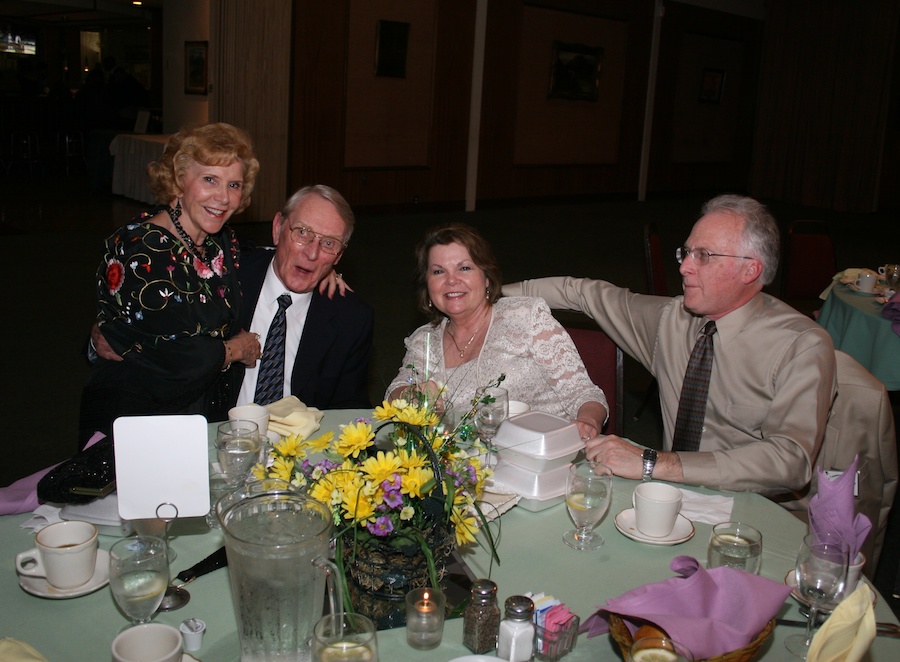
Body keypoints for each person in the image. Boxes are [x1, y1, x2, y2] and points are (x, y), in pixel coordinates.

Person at [504, 194, 837, 502]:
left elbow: (790, 462)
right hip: (668, 500)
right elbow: (582, 294)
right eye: (686, 252)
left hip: (757, 511)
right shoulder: (672, 321)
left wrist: (654, 463)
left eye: (704, 256)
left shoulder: (801, 346)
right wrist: (479, 295)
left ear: (750, 269)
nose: (683, 267)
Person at [79, 122, 263, 446]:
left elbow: (259, 256)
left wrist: (324, 266)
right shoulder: (140, 250)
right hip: (140, 421)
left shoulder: (218, 240)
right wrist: (236, 349)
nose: (223, 197)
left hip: (198, 416)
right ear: (178, 181)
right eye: (209, 179)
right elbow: (171, 360)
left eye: (234, 184)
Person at [386, 223, 608, 439]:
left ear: (487, 278)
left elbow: (584, 394)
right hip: (465, 469)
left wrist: (587, 423)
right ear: (427, 284)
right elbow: (395, 392)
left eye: (464, 268)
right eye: (438, 272)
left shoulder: (525, 317)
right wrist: (410, 396)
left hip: (543, 455)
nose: (451, 280)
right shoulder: (425, 340)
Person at [232, 185, 374, 409]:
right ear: (278, 228)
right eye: (302, 232)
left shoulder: (352, 318)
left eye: (329, 243)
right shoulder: (229, 278)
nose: (312, 253)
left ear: (339, 256)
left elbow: (349, 410)